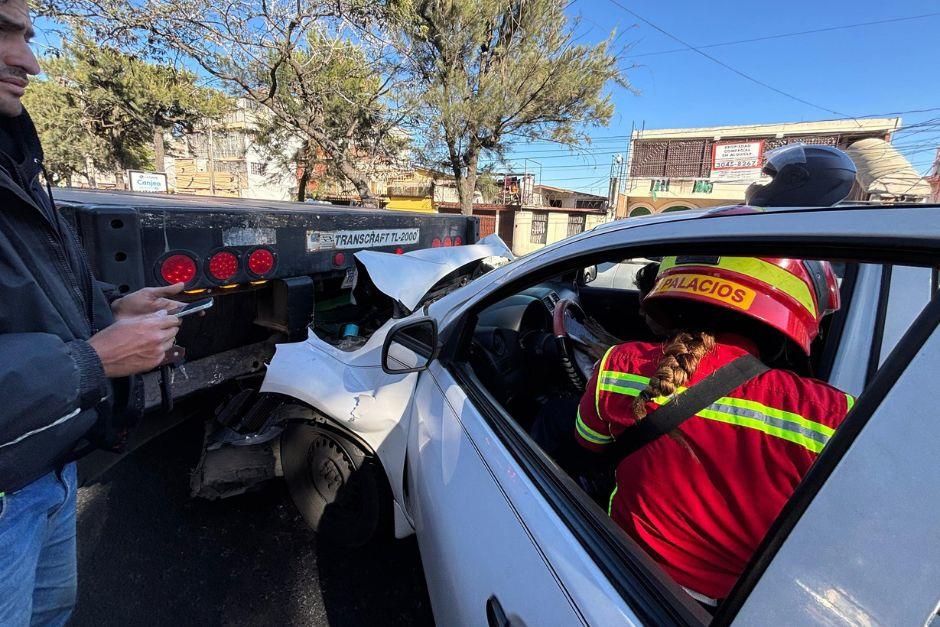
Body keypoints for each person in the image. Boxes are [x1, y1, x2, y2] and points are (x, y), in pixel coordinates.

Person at [0, 3, 184, 623]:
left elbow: (33, 288)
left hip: (49, 465)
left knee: (53, 613)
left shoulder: (15, 164)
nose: (30, 60)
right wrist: (94, 359)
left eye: (26, 34)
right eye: (2, 31)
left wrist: (111, 306)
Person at [574, 255, 853, 605]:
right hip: (730, 605)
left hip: (618, 568)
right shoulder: (833, 413)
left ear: (677, 300)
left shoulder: (619, 365)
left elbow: (587, 444)